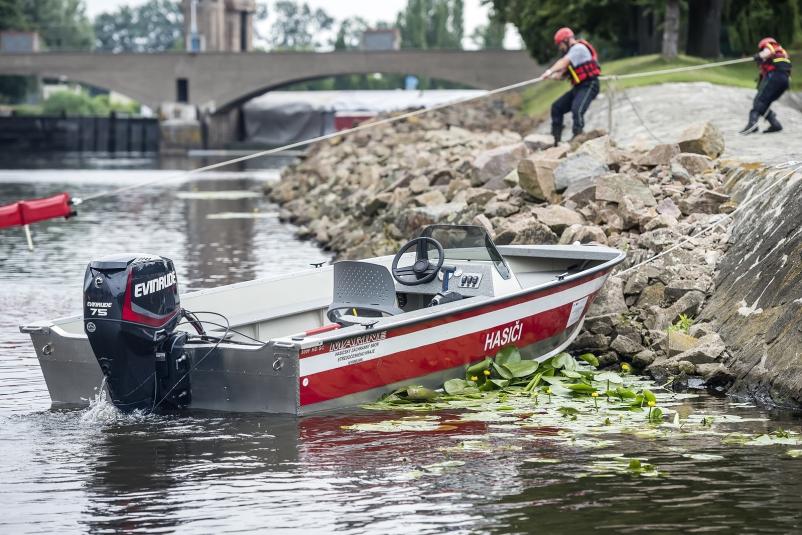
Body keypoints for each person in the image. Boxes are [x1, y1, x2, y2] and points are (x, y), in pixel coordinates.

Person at [539, 27, 601, 145]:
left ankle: (578, 138)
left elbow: (563, 62)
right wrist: (552, 76)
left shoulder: (578, 49)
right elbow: (561, 75)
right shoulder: (572, 53)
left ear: (567, 40)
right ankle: (555, 142)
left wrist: (549, 71)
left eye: (560, 44)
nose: (560, 48)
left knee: (577, 109)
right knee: (557, 107)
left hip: (590, 85)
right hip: (578, 87)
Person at [740, 37, 792, 135]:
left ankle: (752, 124)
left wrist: (757, 56)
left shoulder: (769, 47)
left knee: (759, 101)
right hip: (784, 81)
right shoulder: (782, 53)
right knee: (764, 103)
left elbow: (765, 53)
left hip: (775, 77)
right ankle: (775, 124)